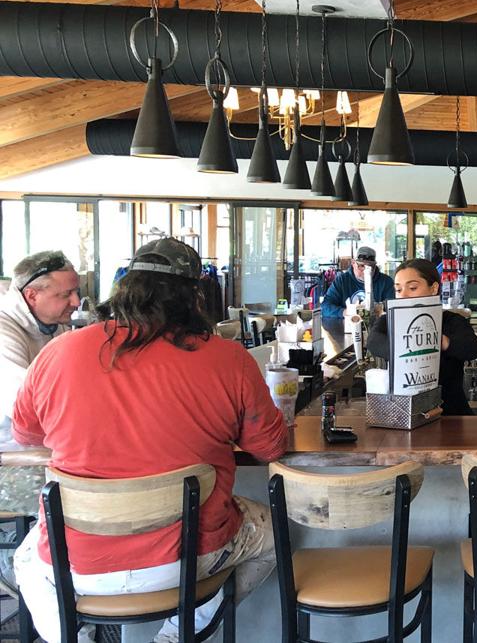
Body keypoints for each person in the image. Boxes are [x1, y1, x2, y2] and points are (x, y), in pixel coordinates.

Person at [11, 238, 287, 643]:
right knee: (274, 531)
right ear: (194, 296)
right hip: (189, 557)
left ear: (124, 288)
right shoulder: (229, 359)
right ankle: (174, 636)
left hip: (74, 559)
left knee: (25, 556)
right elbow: (270, 448)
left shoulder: (58, 352)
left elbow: (27, 434)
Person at [0, 251, 80, 597]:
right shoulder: (4, 330)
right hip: (11, 458)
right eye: (66, 294)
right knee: (89, 494)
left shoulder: (53, 327)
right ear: (32, 295)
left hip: (42, 447)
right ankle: (37, 582)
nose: (76, 302)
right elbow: (22, 404)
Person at [367, 259, 477, 415]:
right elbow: (373, 342)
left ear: (434, 288)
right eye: (398, 290)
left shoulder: (451, 320)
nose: (404, 295)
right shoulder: (389, 320)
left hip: (451, 415)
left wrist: (441, 342)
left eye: (412, 288)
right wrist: (416, 343)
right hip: (406, 413)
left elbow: (473, 349)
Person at [320, 246, 396, 320]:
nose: (366, 270)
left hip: (377, 328)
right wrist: (345, 312)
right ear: (353, 263)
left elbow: (393, 308)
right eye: (361, 266)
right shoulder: (342, 281)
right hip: (347, 328)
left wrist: (380, 308)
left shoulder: (386, 282)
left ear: (375, 266)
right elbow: (325, 307)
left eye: (370, 267)